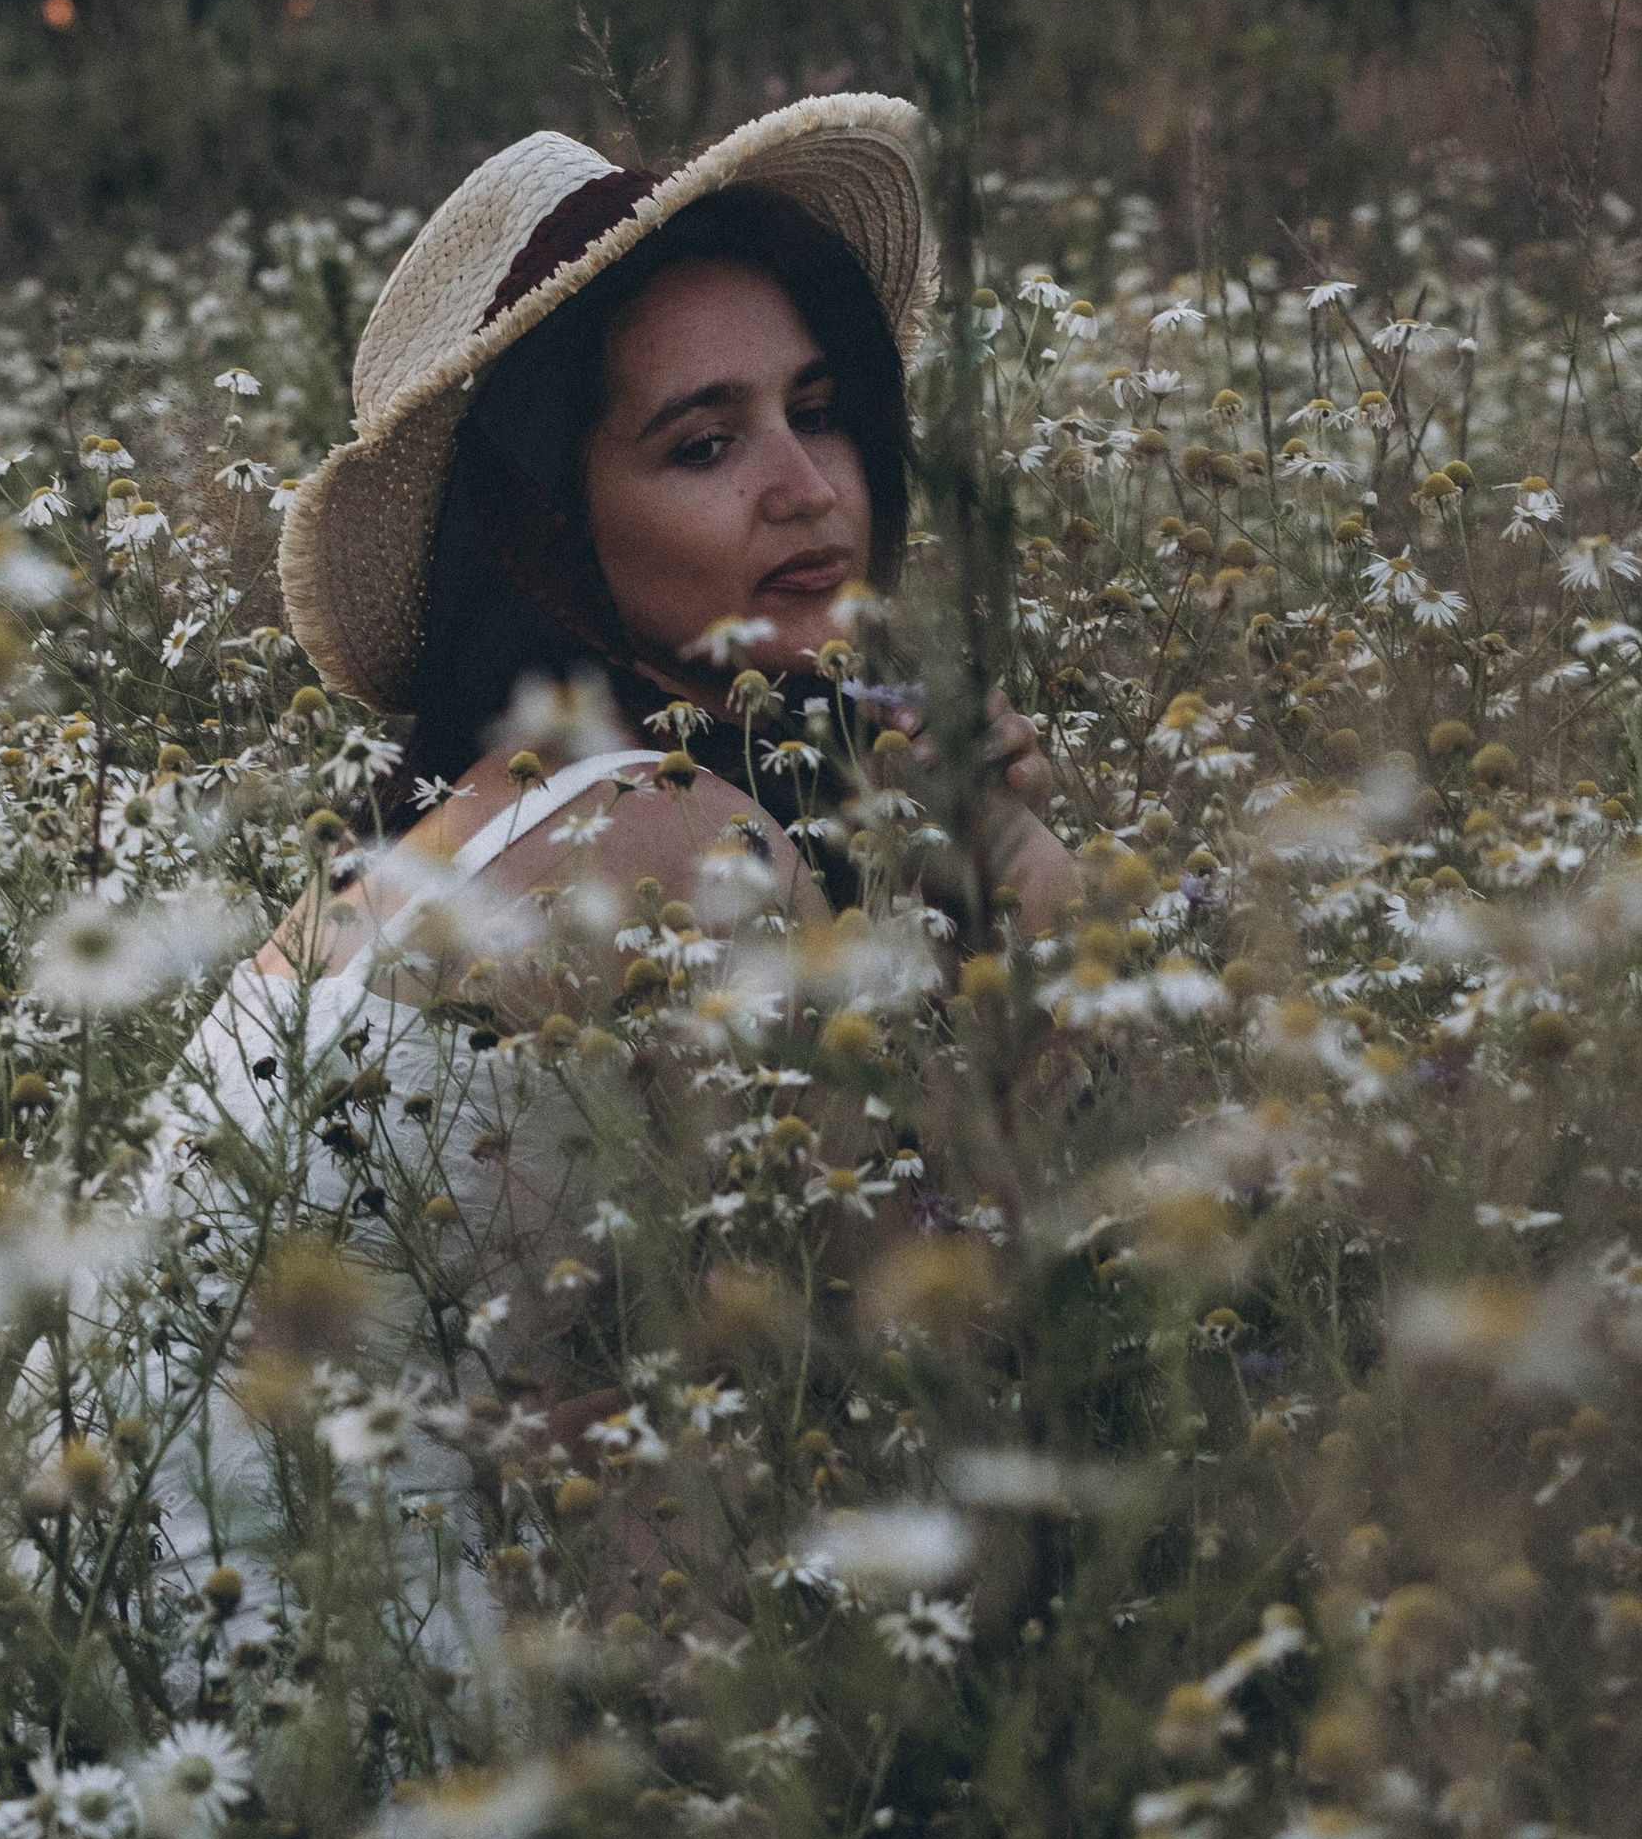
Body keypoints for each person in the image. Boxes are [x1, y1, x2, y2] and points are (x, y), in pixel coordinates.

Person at [108, 101, 1079, 1622]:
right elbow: (929, 1326)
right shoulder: (666, 835)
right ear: (547, 532)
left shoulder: (455, 819)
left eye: (816, 410)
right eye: (703, 442)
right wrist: (1014, 860)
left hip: (129, 1612)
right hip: (290, 1674)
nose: (807, 486)